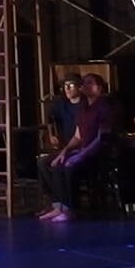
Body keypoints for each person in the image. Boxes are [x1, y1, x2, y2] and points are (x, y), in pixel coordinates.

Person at [36, 72, 112, 223]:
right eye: (85, 83)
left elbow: (101, 137)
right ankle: (58, 205)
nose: (86, 86)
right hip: (81, 150)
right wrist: (63, 152)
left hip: (96, 153)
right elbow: (77, 136)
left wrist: (80, 155)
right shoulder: (84, 108)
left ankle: (70, 208)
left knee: (66, 166)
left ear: (100, 88)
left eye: (91, 83)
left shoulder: (104, 107)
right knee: (50, 162)